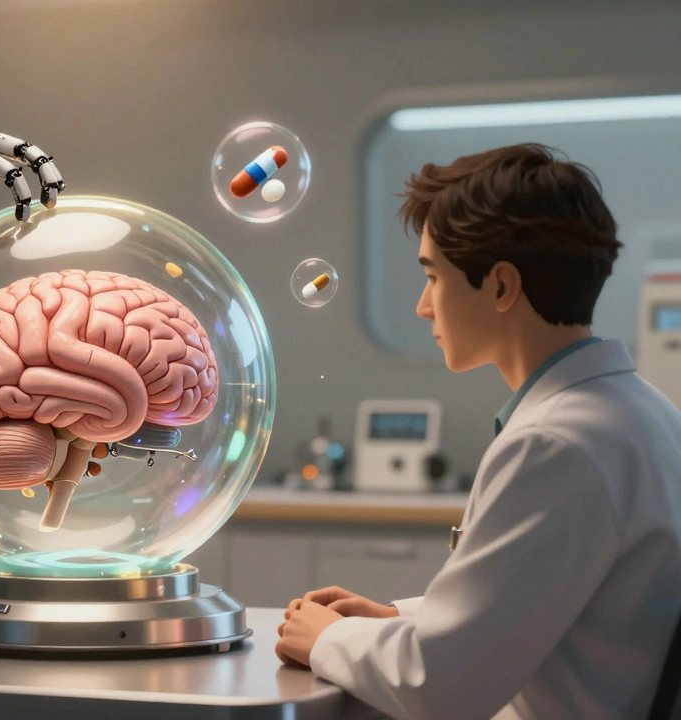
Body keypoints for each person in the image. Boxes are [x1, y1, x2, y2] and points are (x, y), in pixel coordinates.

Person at [274, 143, 681, 719]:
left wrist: (326, 639)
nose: (423, 307)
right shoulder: (646, 412)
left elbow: (438, 686)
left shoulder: (553, 446)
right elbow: (561, 604)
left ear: (500, 286)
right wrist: (398, 618)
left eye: (432, 276)